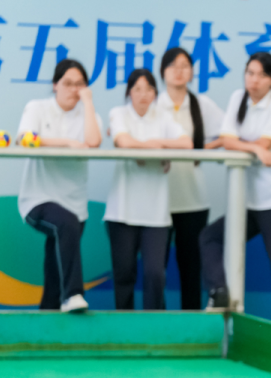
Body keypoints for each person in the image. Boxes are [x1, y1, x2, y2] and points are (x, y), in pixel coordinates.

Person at [199, 52, 271, 326]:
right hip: (251, 200)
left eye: (262, 75)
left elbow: (265, 144)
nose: (254, 80)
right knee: (210, 237)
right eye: (250, 73)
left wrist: (249, 145)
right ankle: (219, 292)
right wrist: (250, 147)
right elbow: (230, 140)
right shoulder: (238, 97)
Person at [16, 59, 102, 313]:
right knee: (65, 224)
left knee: (56, 262)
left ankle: (48, 313)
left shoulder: (89, 114)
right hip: (37, 199)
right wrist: (67, 143)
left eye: (79, 84)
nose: (73, 89)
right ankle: (74, 295)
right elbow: (25, 139)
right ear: (55, 85)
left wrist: (87, 101)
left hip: (75, 204)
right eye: (67, 83)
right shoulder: (37, 108)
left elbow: (93, 141)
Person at [106, 68, 192, 310]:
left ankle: (154, 331)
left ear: (156, 92)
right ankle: (124, 332)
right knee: (124, 276)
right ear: (129, 93)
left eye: (149, 89)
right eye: (137, 89)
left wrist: (156, 146)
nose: (143, 95)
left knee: (155, 275)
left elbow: (186, 143)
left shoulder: (163, 118)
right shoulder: (119, 113)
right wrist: (157, 152)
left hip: (156, 214)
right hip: (121, 211)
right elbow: (123, 141)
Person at [159, 47, 226, 310]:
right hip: (159, 199)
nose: (179, 71)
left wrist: (197, 151)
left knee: (191, 269)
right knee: (157, 269)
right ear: (163, 71)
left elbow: (227, 133)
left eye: (185, 65)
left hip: (193, 199)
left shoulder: (201, 104)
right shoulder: (154, 104)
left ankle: (191, 327)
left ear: (193, 72)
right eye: (173, 65)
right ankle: (158, 327)